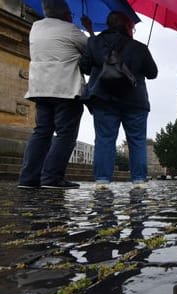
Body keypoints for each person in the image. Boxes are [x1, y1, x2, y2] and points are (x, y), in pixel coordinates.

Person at [18, 0, 94, 189]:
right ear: (65, 13)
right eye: (69, 12)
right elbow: (92, 50)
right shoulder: (70, 30)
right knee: (65, 134)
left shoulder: (35, 28)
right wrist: (89, 30)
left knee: (41, 132)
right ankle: (51, 177)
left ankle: (28, 178)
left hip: (40, 88)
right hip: (65, 89)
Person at [80, 11, 158, 188]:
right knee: (137, 141)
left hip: (104, 97)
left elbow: (84, 67)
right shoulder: (139, 47)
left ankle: (102, 181)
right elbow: (152, 73)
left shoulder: (94, 42)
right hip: (135, 100)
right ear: (128, 26)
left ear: (108, 25)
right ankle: (139, 180)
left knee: (104, 139)